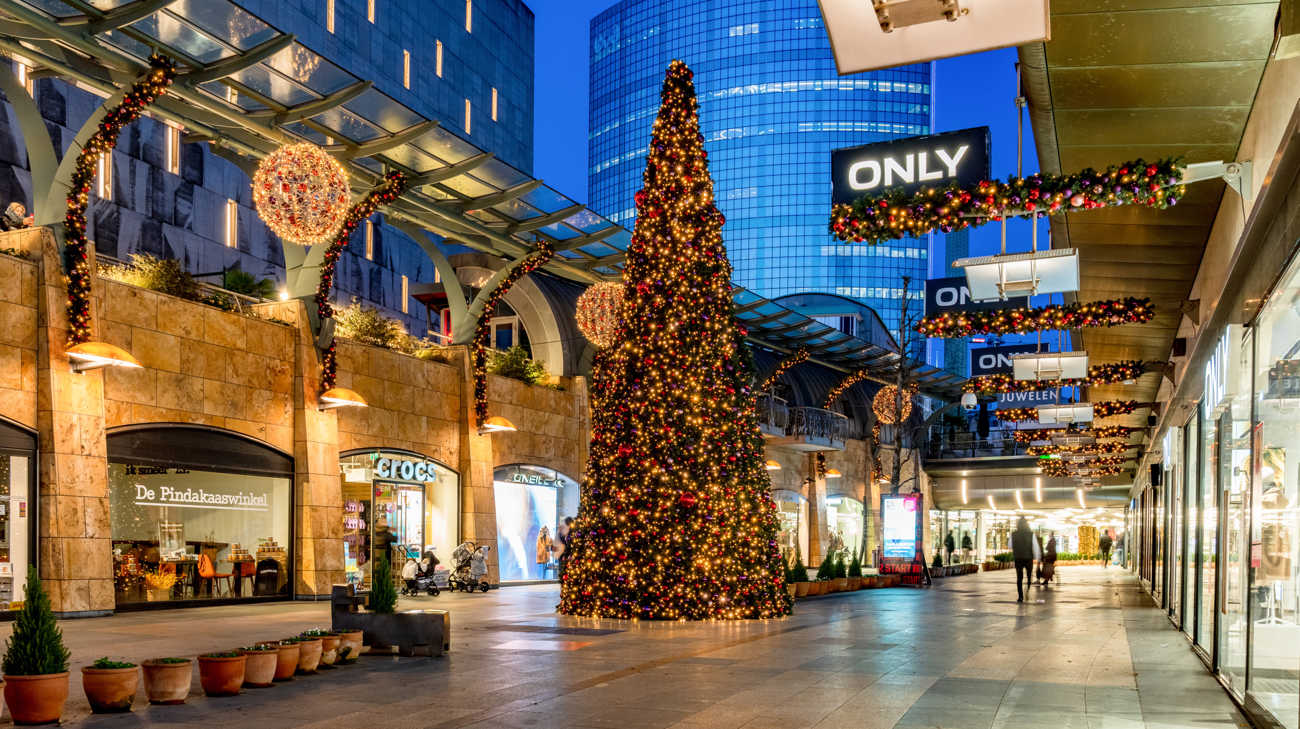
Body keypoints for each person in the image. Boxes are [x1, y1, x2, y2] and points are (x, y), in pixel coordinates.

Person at [1011, 517, 1035, 602]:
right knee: (1029, 576)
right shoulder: (1031, 534)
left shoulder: (1014, 534)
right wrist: (1038, 557)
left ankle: (1020, 596)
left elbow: (1010, 545)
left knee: (1019, 578)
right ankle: (1027, 589)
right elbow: (1035, 546)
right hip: (1028, 558)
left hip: (1018, 558)